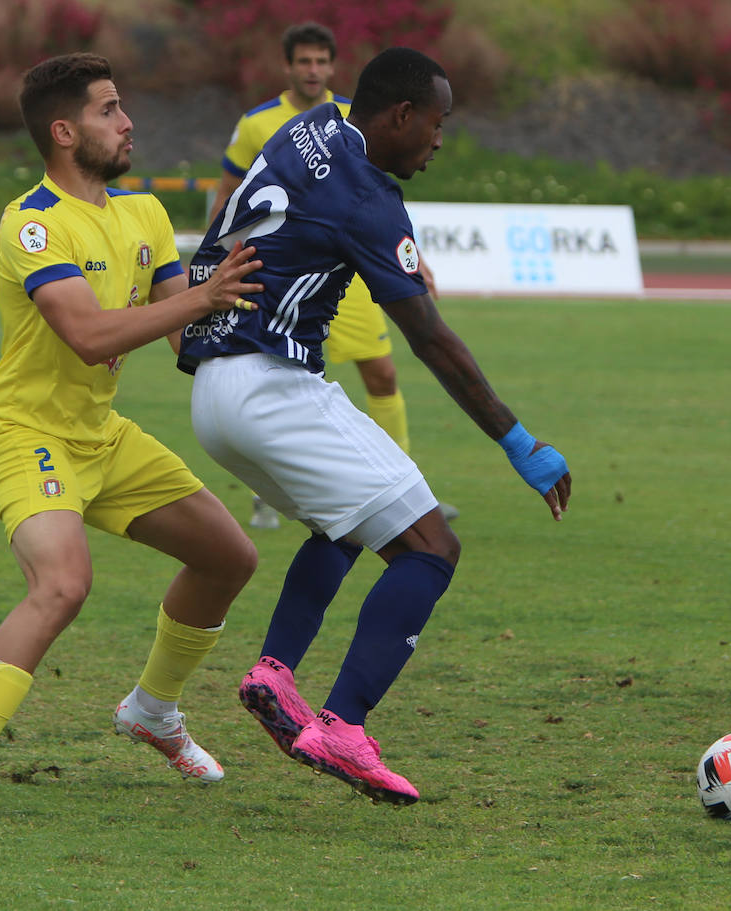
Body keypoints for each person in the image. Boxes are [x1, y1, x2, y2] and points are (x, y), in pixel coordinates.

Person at [179, 48, 571, 805]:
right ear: (399, 116)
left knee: (347, 522)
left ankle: (276, 671)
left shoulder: (314, 128)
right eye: (437, 121)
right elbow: (431, 338)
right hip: (270, 384)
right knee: (431, 546)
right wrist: (519, 442)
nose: (440, 139)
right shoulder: (368, 199)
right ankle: (345, 724)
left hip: (216, 391)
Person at [0, 52, 265, 823]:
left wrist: (265, 335)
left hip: (102, 436)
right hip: (24, 433)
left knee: (228, 556)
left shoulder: (142, 214)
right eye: (110, 109)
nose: (129, 120)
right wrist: (202, 297)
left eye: (123, 105)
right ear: (65, 131)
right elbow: (83, 332)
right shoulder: (31, 223)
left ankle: (152, 709)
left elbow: (187, 340)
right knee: (64, 584)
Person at [208, 22, 457, 530]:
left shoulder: (351, 116)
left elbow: (378, 216)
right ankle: (278, 488)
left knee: (381, 373)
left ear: (331, 65)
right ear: (288, 66)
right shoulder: (258, 122)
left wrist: (417, 262)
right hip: (281, 277)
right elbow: (232, 189)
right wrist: (216, 250)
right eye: (304, 61)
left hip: (352, 272)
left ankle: (404, 481)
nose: (313, 70)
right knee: (297, 375)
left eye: (322, 61)